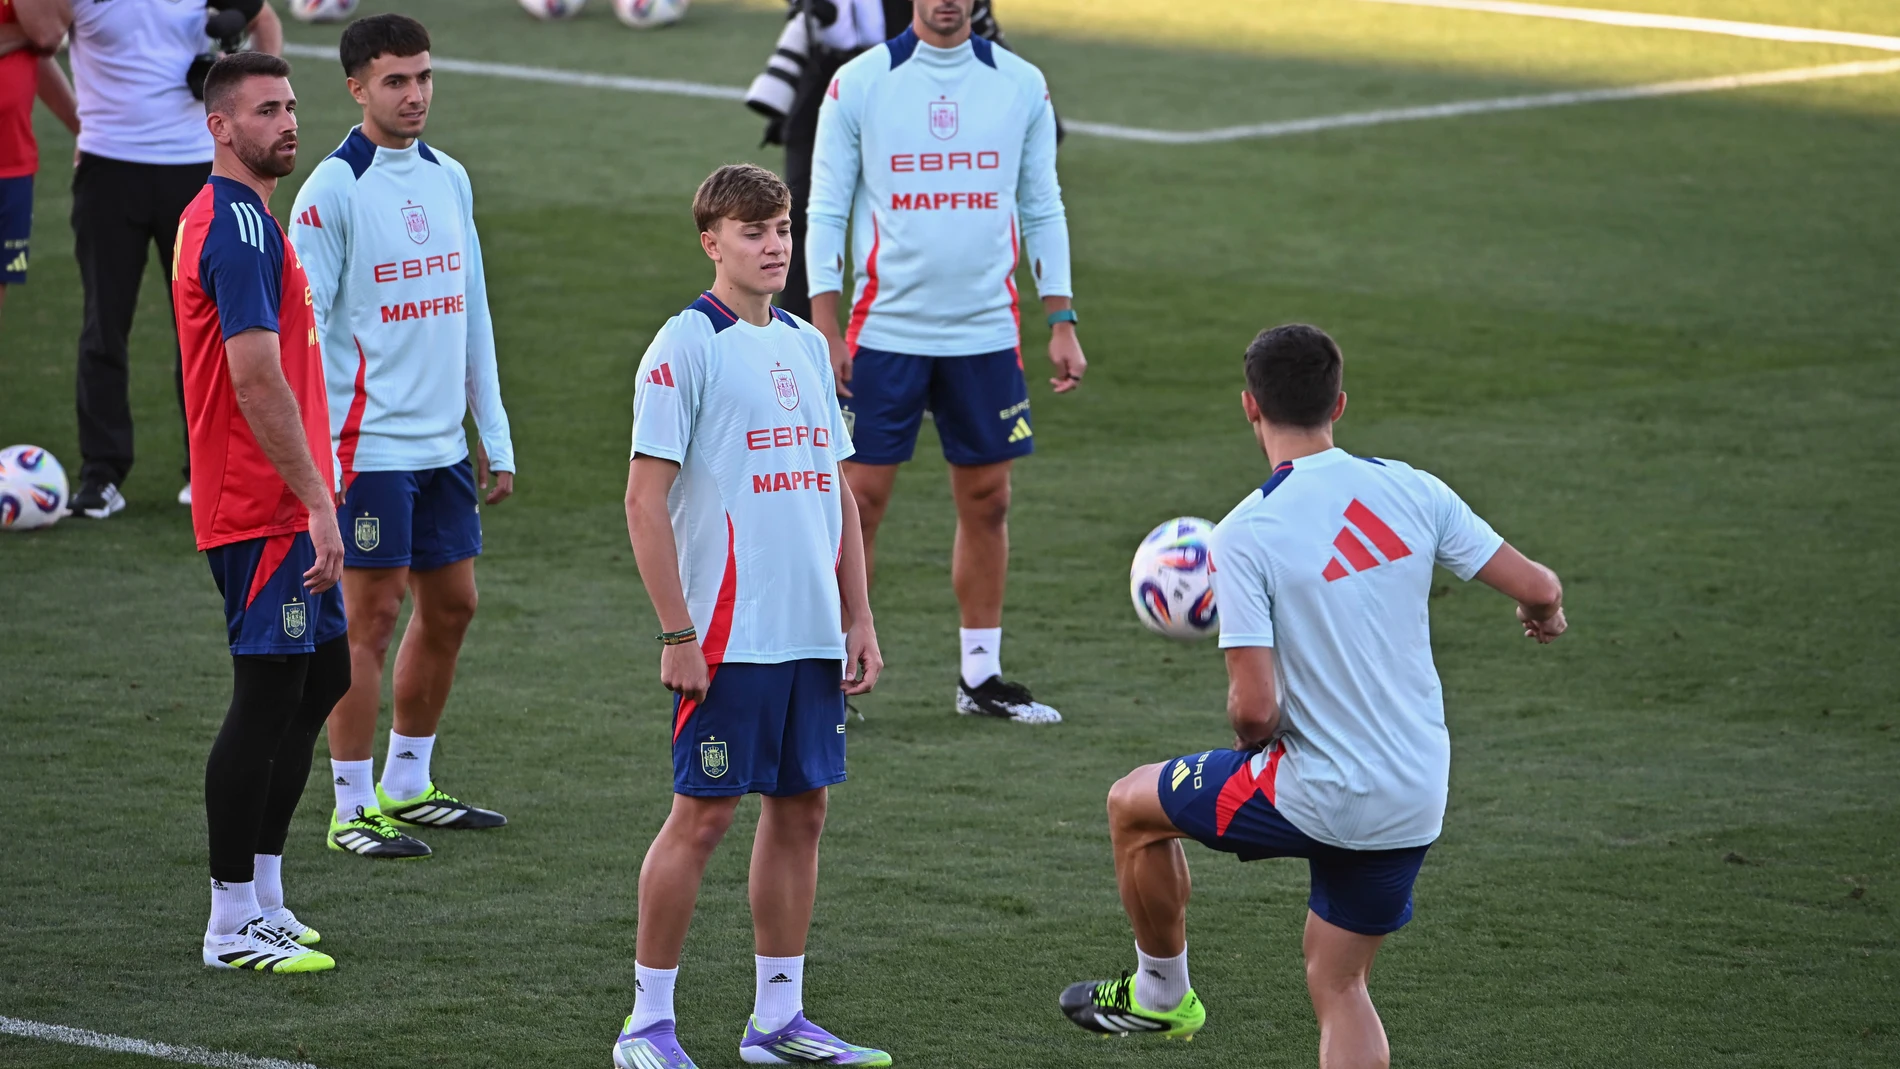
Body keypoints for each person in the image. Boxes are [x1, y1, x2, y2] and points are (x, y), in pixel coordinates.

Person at [1059, 324, 1568, 1066]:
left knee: (1132, 806)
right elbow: (1540, 585)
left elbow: (1255, 710)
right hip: (1415, 791)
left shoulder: (1244, 534)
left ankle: (1161, 994)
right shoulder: (1414, 488)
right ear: (1340, 402)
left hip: (1320, 787)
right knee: (1340, 981)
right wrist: (1542, 613)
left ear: (1249, 406)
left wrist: (1247, 746)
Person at [611, 163, 888, 1069]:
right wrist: (678, 631)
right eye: (753, 231)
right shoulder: (685, 345)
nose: (774, 246)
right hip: (727, 635)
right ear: (711, 241)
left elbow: (836, 491)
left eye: (782, 229)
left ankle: (777, 1019)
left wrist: (859, 615)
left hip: (810, 629)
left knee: (802, 811)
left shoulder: (808, 344)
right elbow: (643, 502)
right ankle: (646, 1024)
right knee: (703, 816)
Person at [806, 0, 1083, 725]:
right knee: (858, 501)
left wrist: (1062, 316)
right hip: (883, 330)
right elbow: (826, 206)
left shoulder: (1021, 84)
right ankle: (831, 673)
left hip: (985, 333)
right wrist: (825, 324)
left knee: (989, 500)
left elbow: (1042, 203)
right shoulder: (859, 82)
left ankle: (980, 677)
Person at [289, 14, 515, 861]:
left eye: (423, 77)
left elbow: (472, 311)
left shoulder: (449, 178)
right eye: (395, 81)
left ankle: (408, 782)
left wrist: (490, 429)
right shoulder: (331, 193)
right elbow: (302, 339)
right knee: (370, 617)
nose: (415, 94)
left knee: (453, 605)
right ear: (356, 87)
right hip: (368, 450)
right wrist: (317, 463)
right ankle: (351, 806)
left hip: (442, 450)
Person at [174, 50, 345, 973]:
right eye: (266, 110)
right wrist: (318, 499)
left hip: (285, 500)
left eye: (289, 105)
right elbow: (251, 374)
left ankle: (267, 897)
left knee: (321, 679)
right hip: (261, 506)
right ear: (220, 127)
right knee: (270, 693)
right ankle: (230, 919)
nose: (287, 122)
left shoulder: (248, 216)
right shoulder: (235, 225)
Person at [62, 0, 282, 518]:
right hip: (108, 165)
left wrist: (247, 92)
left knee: (210, 329)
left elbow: (263, 21)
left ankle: (210, 470)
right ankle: (102, 473)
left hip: (193, 170)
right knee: (104, 325)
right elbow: (40, 32)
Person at [744, 0, 1020, 321]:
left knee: (916, 213)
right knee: (802, 215)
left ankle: (929, 330)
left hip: (906, 81)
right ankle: (799, 338)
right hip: (824, 77)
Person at [0, 0, 80, 331]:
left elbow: (41, 47)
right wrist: (27, 34)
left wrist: (84, 128)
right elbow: (45, 36)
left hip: (13, 163)